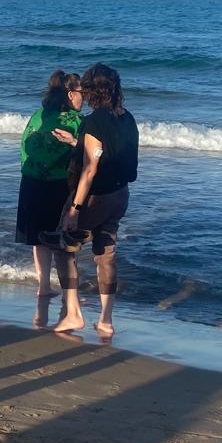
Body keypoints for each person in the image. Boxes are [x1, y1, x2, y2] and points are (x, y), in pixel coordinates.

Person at [54, 61, 137, 339]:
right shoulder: (127, 118)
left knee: (65, 246)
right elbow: (109, 151)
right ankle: (106, 320)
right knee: (106, 254)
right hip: (120, 195)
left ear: (92, 90)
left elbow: (90, 169)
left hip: (95, 198)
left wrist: (75, 208)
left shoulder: (93, 121)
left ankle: (74, 313)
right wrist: (76, 143)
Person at [15, 70, 83, 329]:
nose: (84, 99)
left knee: (38, 237)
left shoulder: (37, 116)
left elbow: (24, 147)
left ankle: (44, 286)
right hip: (58, 184)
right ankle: (70, 295)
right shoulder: (75, 120)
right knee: (62, 240)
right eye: (81, 94)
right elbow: (86, 153)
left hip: (31, 181)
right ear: (70, 94)